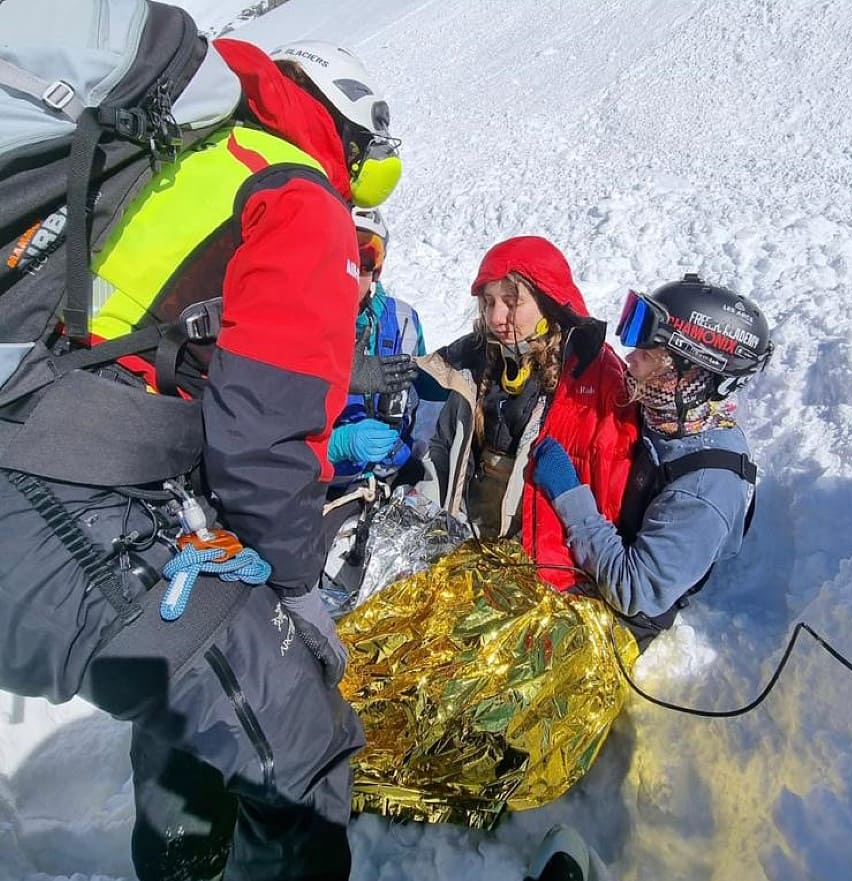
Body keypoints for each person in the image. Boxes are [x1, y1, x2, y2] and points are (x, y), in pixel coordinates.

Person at [0, 30, 402, 881]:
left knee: (193, 685)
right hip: (66, 497)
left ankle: (183, 861)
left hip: (42, 455)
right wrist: (296, 592)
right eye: (373, 171)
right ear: (344, 137)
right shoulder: (298, 195)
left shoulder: (186, 153)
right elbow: (263, 438)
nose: (366, 198)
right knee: (303, 753)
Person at [531, 273, 774, 645]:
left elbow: (633, 590)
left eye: (646, 355)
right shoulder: (667, 416)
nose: (630, 360)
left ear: (688, 374)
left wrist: (570, 495)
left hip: (624, 616)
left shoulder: (704, 490)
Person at [414, 235, 640, 588]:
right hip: (466, 535)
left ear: (547, 302)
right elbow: (419, 378)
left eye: (511, 301)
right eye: (488, 302)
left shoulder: (589, 374)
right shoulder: (477, 355)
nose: (496, 317)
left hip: (536, 560)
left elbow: (611, 474)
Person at [327, 207, 426, 490]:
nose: (348, 273)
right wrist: (336, 444)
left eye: (363, 261)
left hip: (393, 479)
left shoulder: (404, 320)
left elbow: (432, 389)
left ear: (378, 270)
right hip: (319, 485)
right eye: (338, 256)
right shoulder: (297, 322)